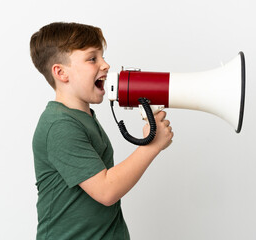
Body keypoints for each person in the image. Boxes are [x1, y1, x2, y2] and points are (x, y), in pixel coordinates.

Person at [30, 22, 173, 240]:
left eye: (102, 57)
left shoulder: (81, 117)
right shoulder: (60, 126)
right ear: (61, 72)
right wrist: (151, 146)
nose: (106, 65)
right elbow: (106, 191)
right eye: (92, 58)